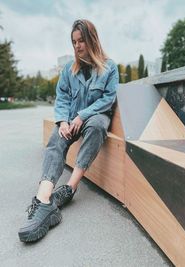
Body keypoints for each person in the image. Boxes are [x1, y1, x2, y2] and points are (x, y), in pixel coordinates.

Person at [18, 19, 119, 242]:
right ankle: (43, 201)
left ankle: (69, 189)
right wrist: (63, 121)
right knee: (56, 139)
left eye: (81, 40)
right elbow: (62, 97)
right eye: (74, 42)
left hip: (94, 117)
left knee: (98, 125)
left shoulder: (109, 67)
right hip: (71, 120)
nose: (77, 46)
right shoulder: (68, 70)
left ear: (92, 39)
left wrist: (83, 115)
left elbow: (108, 99)